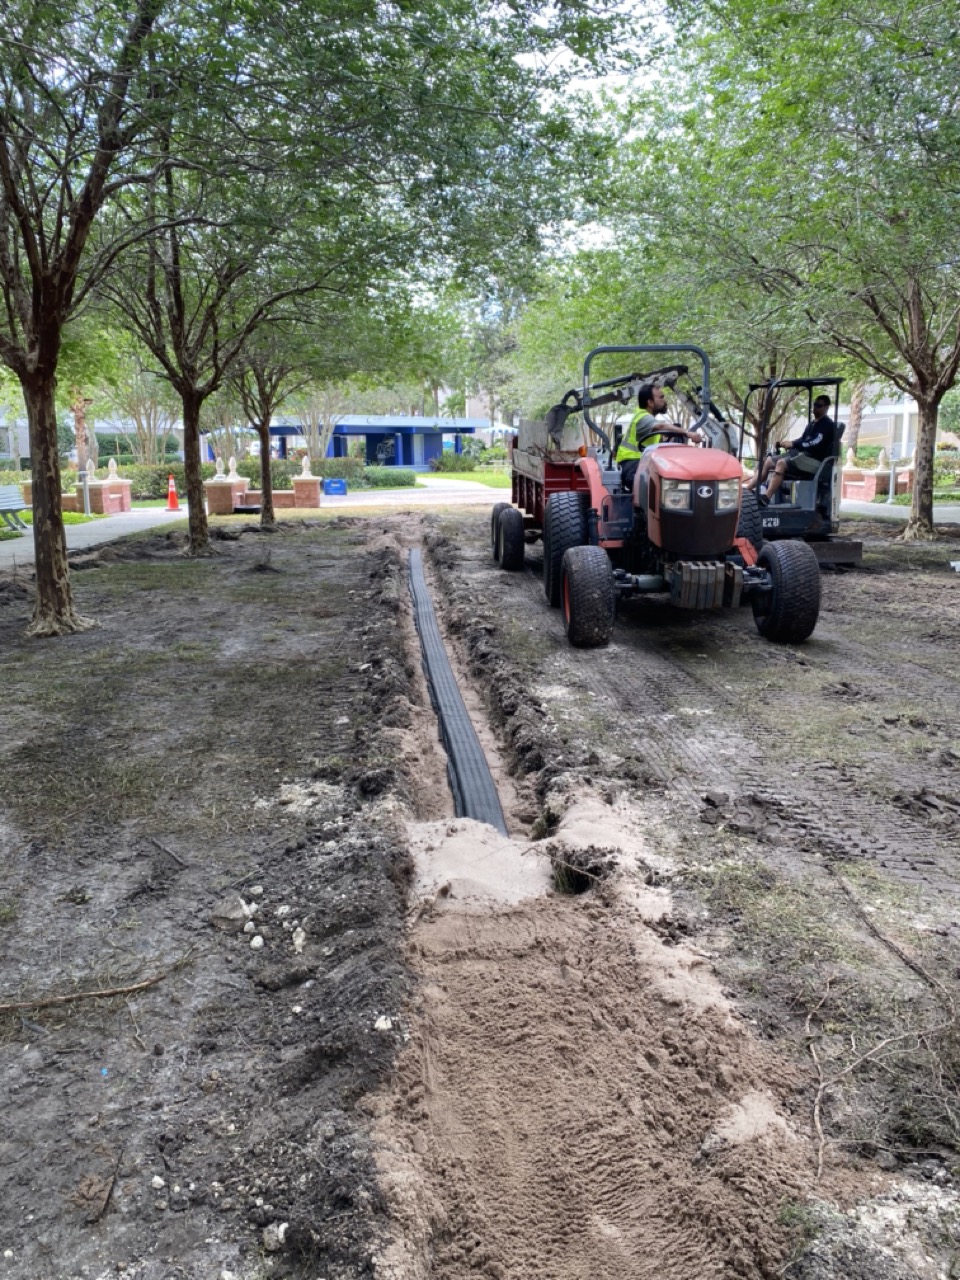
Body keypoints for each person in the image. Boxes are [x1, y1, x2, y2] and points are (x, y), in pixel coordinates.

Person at [746, 394, 836, 504]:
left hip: (814, 459)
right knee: (768, 461)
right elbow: (803, 439)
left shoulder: (827, 425)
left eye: (819, 405)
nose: (815, 407)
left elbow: (814, 443)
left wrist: (793, 444)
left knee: (781, 463)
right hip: (803, 456)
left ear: (826, 407)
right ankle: (747, 490)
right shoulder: (813, 423)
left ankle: (766, 497)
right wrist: (787, 443)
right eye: (814, 404)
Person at [616, 384, 704, 496]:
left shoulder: (648, 420)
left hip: (642, 462)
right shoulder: (643, 417)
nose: (665, 401)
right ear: (650, 402)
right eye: (661, 397)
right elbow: (661, 426)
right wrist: (687, 433)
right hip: (631, 464)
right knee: (658, 487)